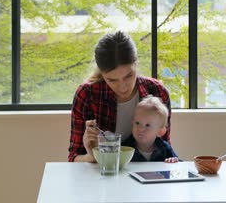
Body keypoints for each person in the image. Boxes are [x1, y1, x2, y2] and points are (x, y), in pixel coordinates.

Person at [68, 31, 172, 162]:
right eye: (112, 80)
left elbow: (165, 150)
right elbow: (73, 158)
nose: (123, 87)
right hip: (101, 176)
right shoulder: (87, 94)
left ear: (136, 64)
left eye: (128, 76)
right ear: (102, 73)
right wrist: (93, 155)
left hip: (147, 177)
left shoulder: (157, 91)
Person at [123, 95, 179, 163]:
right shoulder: (125, 149)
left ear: (160, 132)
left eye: (147, 125)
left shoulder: (164, 148)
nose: (140, 129)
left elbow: (178, 165)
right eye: (137, 123)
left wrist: (173, 161)